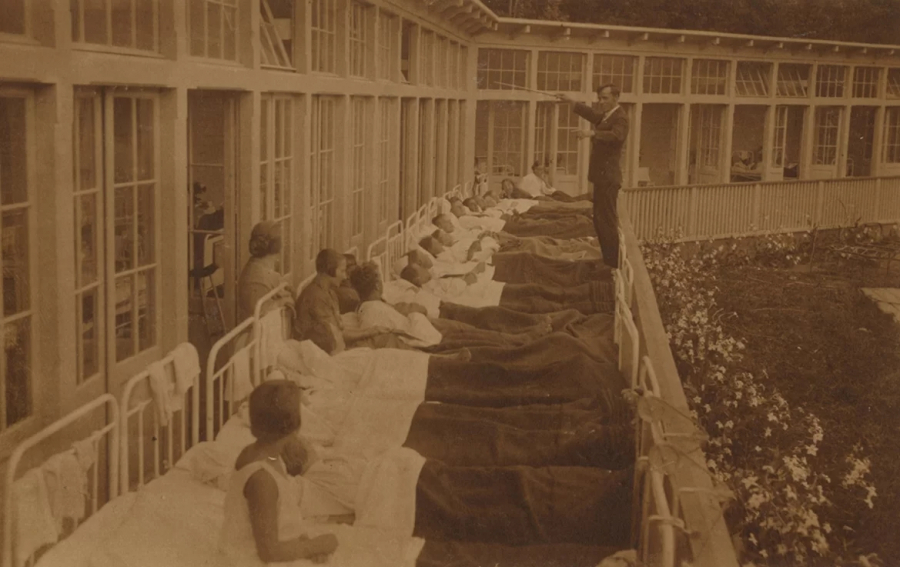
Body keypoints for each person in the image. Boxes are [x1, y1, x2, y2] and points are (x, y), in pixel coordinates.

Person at [219, 380, 338, 565]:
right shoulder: (262, 479)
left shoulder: (264, 455)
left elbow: (281, 519)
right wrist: (313, 547)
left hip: (275, 548)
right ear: (295, 428)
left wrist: (305, 546)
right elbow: (269, 552)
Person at [559, 84, 629, 269]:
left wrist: (591, 133)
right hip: (601, 177)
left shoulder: (620, 117)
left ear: (616, 97)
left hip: (608, 178)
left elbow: (616, 136)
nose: (601, 102)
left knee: (606, 221)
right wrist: (571, 101)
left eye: (605, 98)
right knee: (599, 219)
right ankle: (608, 259)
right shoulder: (608, 115)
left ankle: (612, 263)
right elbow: (592, 115)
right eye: (599, 98)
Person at [293, 248, 393, 353]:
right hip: (322, 352)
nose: (345, 276)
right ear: (330, 270)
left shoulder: (329, 292)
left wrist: (373, 330)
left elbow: (338, 330)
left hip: (335, 344)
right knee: (382, 344)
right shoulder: (316, 297)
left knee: (384, 339)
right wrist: (369, 332)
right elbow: (335, 336)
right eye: (342, 271)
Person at [236, 221, 294, 322]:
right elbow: (261, 314)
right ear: (276, 246)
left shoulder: (262, 267)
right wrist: (281, 302)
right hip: (256, 334)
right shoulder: (255, 278)